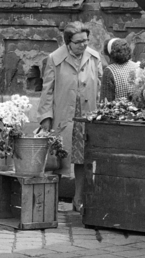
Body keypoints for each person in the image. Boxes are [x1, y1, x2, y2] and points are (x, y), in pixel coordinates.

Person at [37, 21, 103, 210]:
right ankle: (51, 200)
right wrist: (46, 116)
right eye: (78, 42)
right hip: (62, 116)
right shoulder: (54, 59)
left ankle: (78, 199)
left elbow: (99, 88)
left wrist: (99, 113)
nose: (84, 44)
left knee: (82, 159)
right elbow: (47, 90)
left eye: (86, 40)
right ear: (68, 42)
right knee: (56, 159)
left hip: (85, 117)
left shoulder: (94, 57)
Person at [101, 37, 145, 101]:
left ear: (110, 54)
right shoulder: (137, 66)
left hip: (120, 107)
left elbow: (105, 101)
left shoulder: (109, 71)